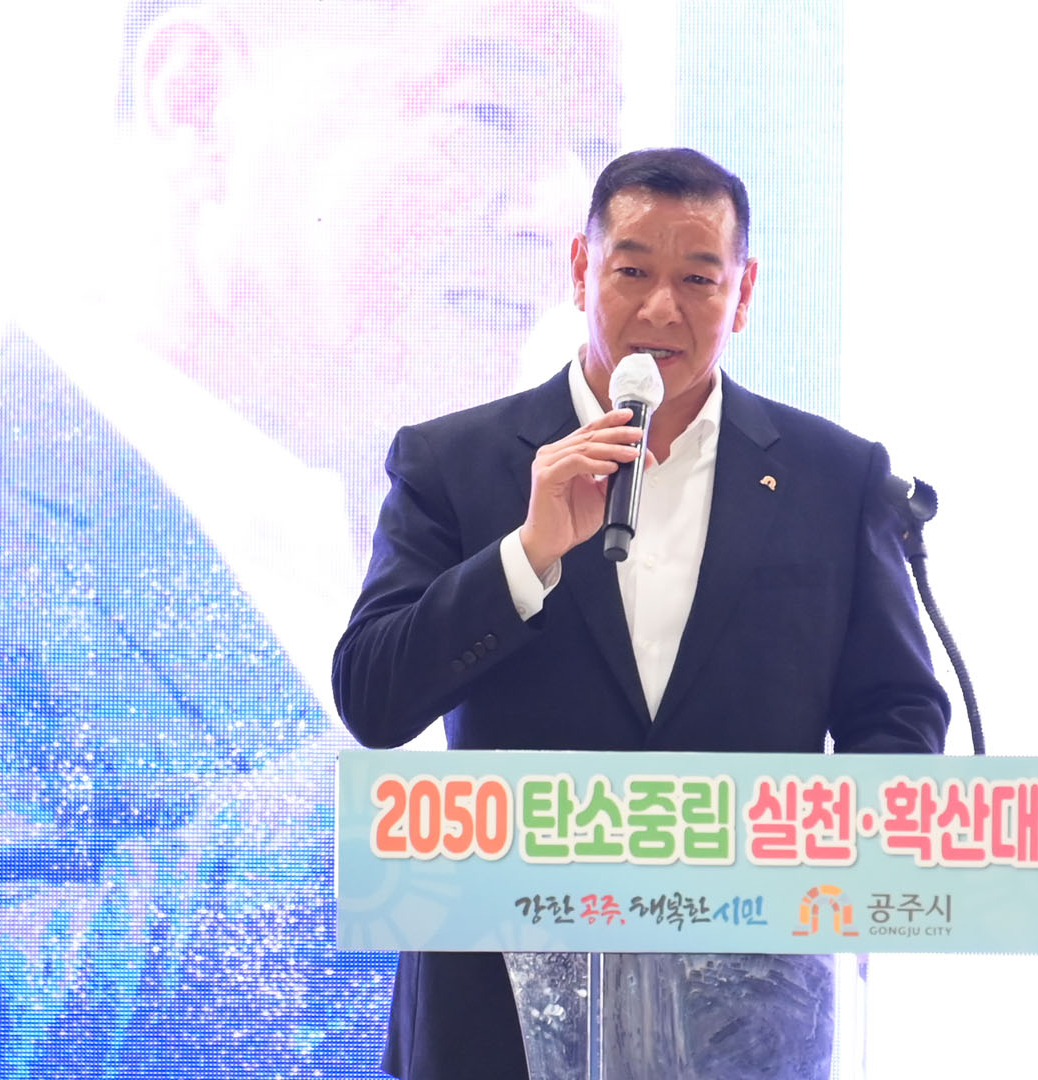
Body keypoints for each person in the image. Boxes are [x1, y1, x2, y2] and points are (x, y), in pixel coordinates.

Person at [0, 0, 618, 1074]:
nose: (568, 226)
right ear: (198, 99)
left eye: (588, 156)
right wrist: (443, 796)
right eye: (490, 116)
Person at [333, 147, 951, 1080]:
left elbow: (897, 712)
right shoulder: (453, 462)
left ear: (743, 294)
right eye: (632, 272)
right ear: (581, 270)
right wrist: (526, 554)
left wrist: (819, 872)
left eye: (698, 279)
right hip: (496, 1015)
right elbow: (373, 699)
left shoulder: (836, 475)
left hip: (751, 1012)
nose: (662, 309)